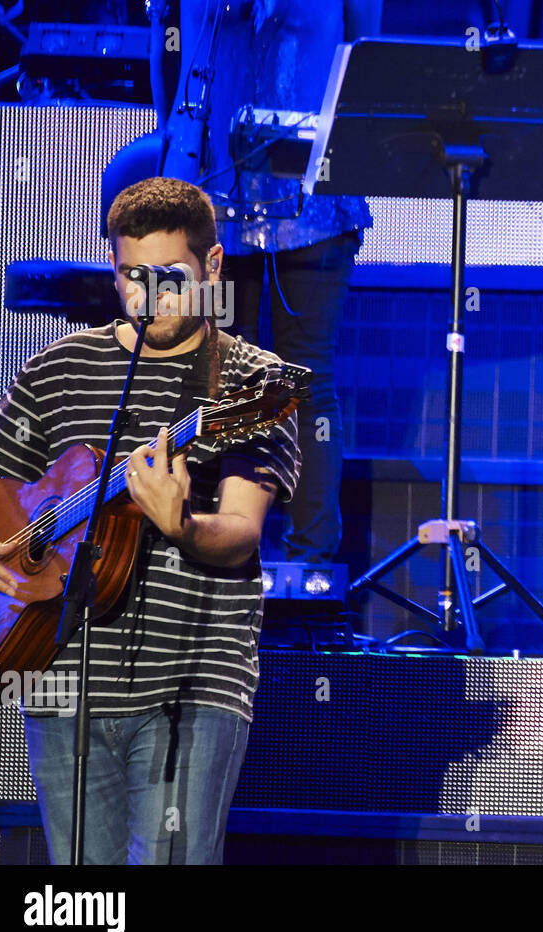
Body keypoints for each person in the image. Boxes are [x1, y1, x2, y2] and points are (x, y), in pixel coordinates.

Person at [0, 177, 300, 864]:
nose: (149, 296)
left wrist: (182, 526)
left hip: (193, 678)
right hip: (60, 672)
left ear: (213, 269)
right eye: (131, 276)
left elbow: (241, 531)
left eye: (170, 278)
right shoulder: (61, 369)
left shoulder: (249, 383)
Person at [147, 0, 381, 563]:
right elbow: (169, 53)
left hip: (312, 205)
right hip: (212, 196)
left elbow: (363, 62)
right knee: (212, 375)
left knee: (305, 378)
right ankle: (211, 544)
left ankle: (311, 563)